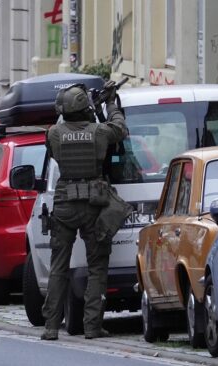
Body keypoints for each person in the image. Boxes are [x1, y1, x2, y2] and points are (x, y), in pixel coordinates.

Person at [41, 81, 129, 340]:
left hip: (65, 204)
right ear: (85, 108)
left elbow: (57, 147)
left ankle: (51, 327)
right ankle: (92, 326)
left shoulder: (54, 134)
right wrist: (110, 103)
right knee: (97, 267)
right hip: (94, 204)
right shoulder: (99, 131)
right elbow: (120, 128)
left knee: (58, 266)